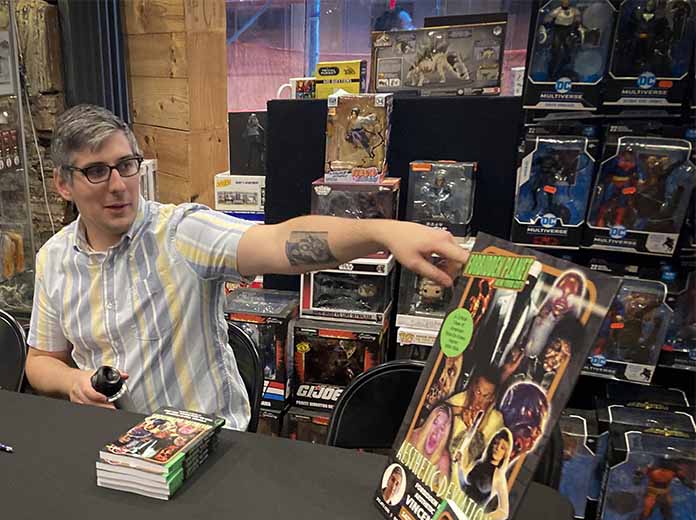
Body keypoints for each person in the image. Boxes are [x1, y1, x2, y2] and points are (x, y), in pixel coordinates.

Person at [25, 105, 466, 430]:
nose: (119, 184)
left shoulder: (181, 233)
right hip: (111, 445)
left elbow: (280, 243)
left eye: (126, 165)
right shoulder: (55, 259)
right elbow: (41, 360)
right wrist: (73, 382)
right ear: (63, 183)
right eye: (97, 172)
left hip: (205, 448)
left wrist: (384, 233)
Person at [447, 369, 504, 474]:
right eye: (478, 392)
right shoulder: (462, 398)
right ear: (473, 388)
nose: (479, 400)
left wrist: (472, 429)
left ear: (492, 397)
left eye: (486, 396)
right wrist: (458, 410)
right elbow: (436, 412)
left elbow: (484, 457)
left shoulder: (496, 419)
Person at [456, 428, 513, 520]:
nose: (497, 448)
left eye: (502, 447)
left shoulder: (499, 476)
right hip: (456, 508)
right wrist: (459, 466)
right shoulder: (479, 464)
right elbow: (465, 487)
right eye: (496, 443)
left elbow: (504, 512)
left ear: (505, 454)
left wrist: (481, 519)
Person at [406, 404, 454, 477]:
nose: (436, 432)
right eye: (435, 423)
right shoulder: (413, 437)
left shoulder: (443, 460)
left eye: (442, 429)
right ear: (428, 423)